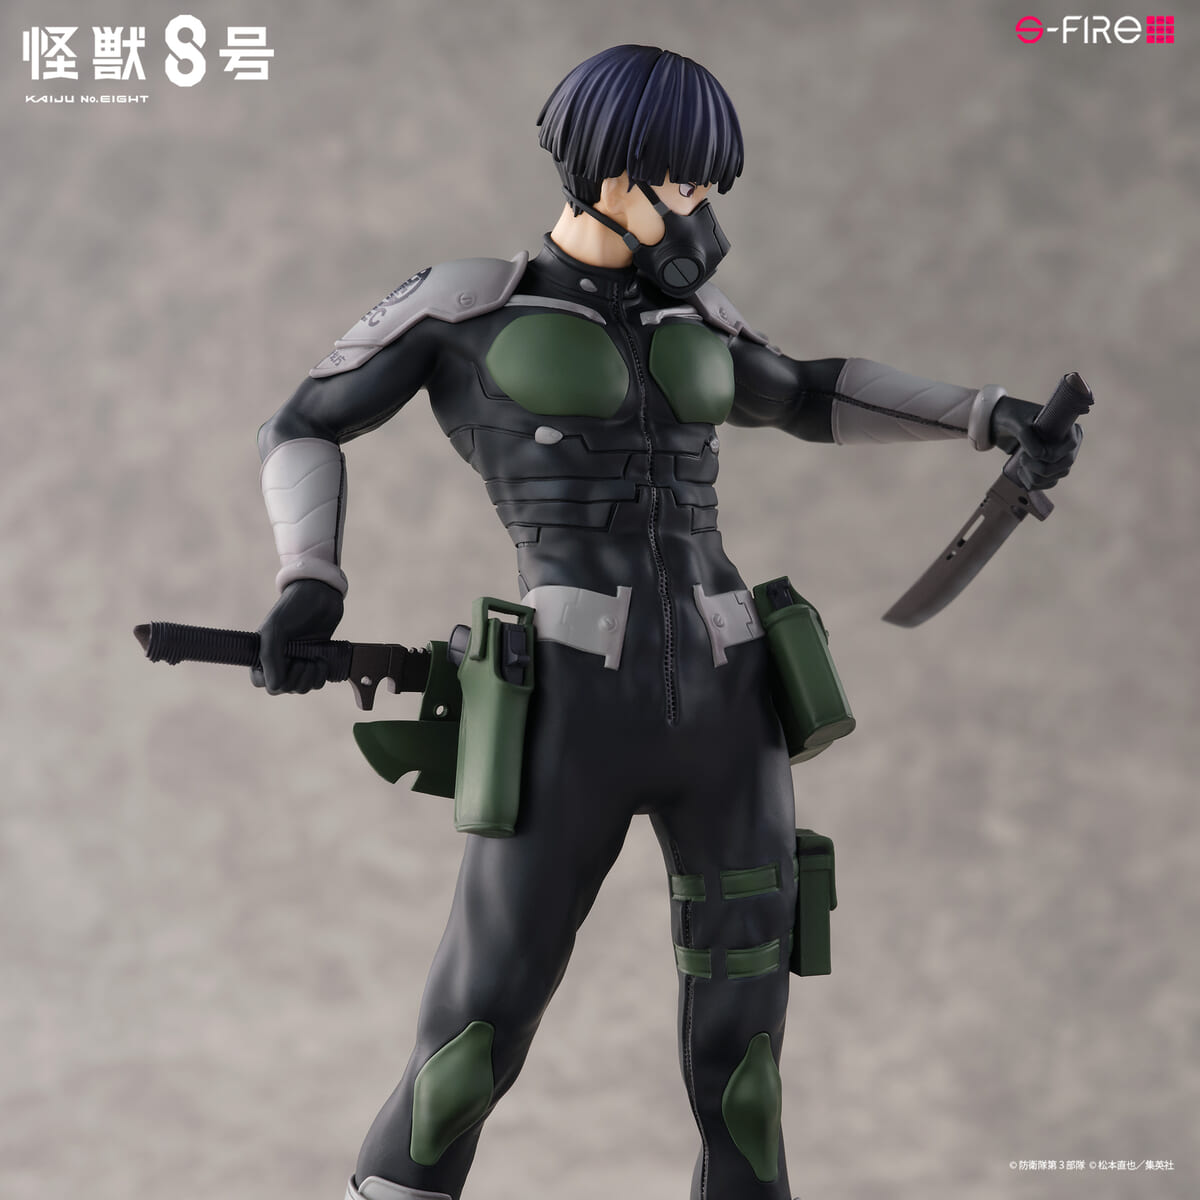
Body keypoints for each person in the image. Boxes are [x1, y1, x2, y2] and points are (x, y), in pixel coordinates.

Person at [252, 44, 1081, 1200]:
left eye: (707, 184)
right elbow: (303, 423)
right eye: (681, 181)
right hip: (564, 710)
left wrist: (989, 415)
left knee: (746, 1071)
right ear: (610, 170)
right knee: (471, 1039)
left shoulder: (696, 317)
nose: (699, 209)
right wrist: (310, 578)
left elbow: (807, 392)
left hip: (732, 704)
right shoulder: (467, 306)